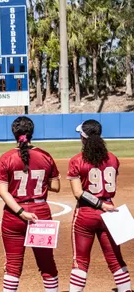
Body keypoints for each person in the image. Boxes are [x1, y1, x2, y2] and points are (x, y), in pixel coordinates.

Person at [0, 116, 60, 292]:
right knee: (47, 265)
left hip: (13, 215)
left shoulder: (6, 158)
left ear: (14, 133)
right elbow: (55, 186)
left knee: (13, 266)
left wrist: (20, 211)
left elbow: (2, 191)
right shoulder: (45, 156)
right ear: (32, 133)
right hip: (40, 213)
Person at [67, 120, 132, 292]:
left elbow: (78, 192)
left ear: (83, 137)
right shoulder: (112, 159)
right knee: (115, 258)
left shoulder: (76, 161)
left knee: (80, 261)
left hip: (86, 213)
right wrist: (104, 204)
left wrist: (98, 204)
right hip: (110, 211)